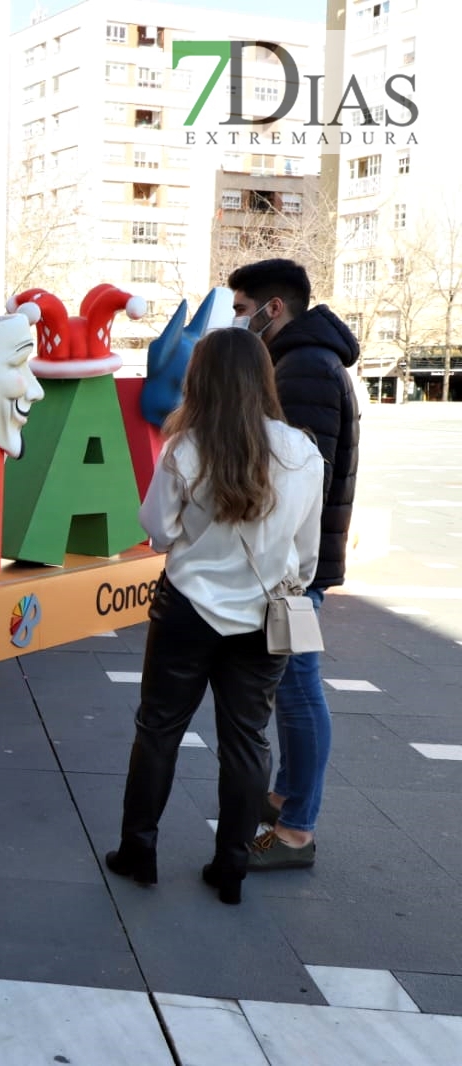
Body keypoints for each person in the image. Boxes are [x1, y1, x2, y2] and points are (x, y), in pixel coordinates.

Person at [106, 328, 324, 905]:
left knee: (158, 730)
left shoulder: (186, 447)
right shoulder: (302, 452)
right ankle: (231, 867)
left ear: (200, 378)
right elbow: (307, 556)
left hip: (188, 609)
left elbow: (157, 530)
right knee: (248, 741)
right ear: (263, 376)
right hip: (262, 619)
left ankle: (139, 851)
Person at [228, 259, 360, 871]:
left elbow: (299, 477)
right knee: (289, 688)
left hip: (292, 572)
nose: (238, 320)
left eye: (240, 308)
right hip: (294, 568)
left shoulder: (303, 366)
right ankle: (285, 799)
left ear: (272, 307)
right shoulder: (308, 360)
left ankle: (296, 830)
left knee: (300, 690)